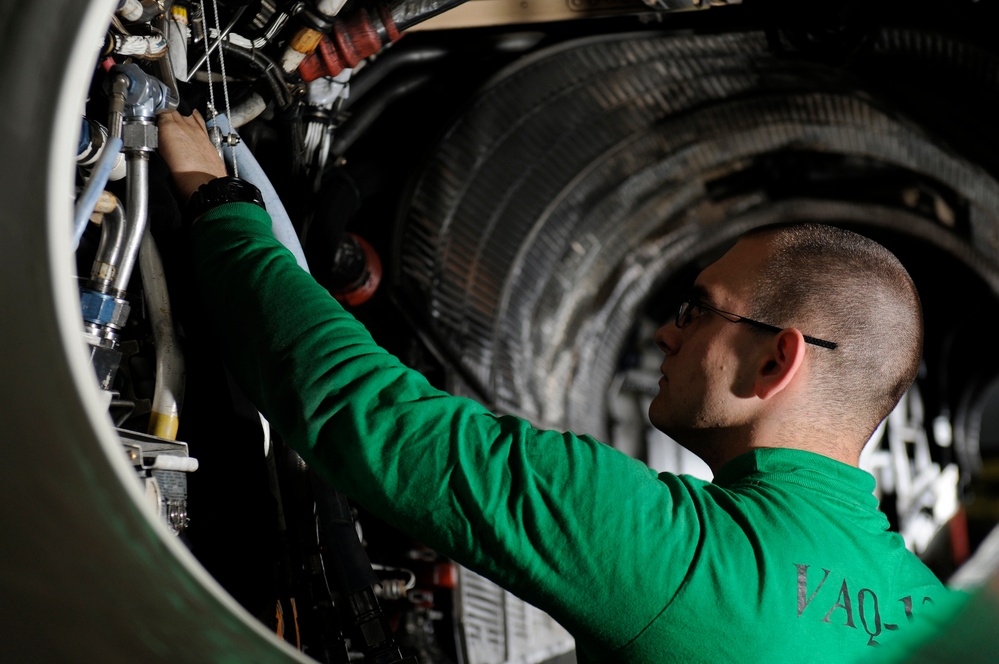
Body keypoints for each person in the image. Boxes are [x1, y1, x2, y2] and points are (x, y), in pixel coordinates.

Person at [157, 109, 962, 662]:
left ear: (775, 361)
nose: (664, 332)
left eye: (697, 309)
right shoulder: (939, 621)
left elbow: (358, 410)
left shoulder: (677, 556)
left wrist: (218, 201)